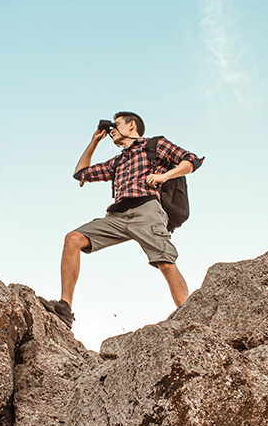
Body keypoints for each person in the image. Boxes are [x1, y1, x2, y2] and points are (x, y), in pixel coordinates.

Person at [43, 112, 203, 329]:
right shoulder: (118, 161)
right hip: (117, 216)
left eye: (116, 125)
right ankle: (65, 308)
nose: (112, 131)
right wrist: (94, 141)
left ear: (131, 126)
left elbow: (191, 160)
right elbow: (81, 173)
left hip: (147, 209)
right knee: (73, 239)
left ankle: (190, 320)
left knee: (165, 262)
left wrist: (164, 176)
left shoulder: (154, 145)